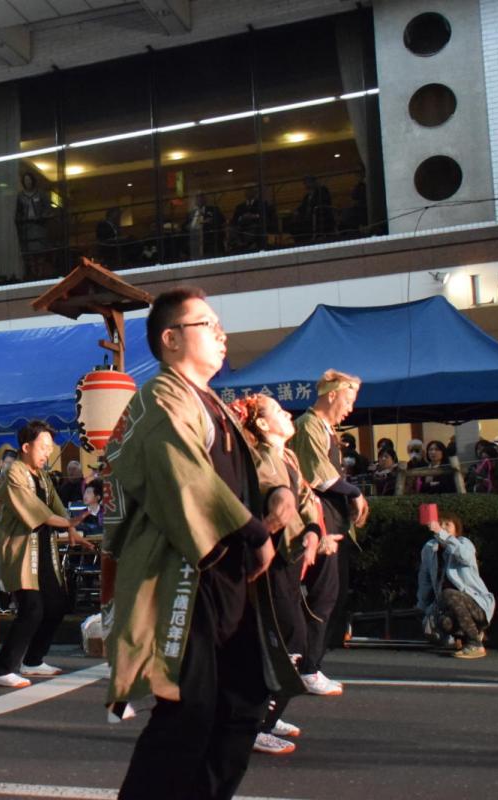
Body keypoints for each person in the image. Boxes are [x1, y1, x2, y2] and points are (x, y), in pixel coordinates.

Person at [102, 286, 300, 799]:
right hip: (185, 573)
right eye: (207, 325)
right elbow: (184, 477)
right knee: (187, 712)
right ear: (170, 338)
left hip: (226, 573)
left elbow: (260, 465)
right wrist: (253, 530)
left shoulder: (215, 404)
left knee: (243, 704)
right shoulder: (161, 397)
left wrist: (279, 491)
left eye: (218, 325)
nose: (221, 334)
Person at [230, 393, 323, 756]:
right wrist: (269, 526)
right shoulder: (264, 457)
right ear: (263, 425)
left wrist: (314, 531)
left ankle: (264, 713)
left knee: (284, 639)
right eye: (279, 411)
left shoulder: (287, 456)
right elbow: (278, 497)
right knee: (289, 641)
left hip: (286, 559)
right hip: (272, 562)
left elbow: (303, 503)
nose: (288, 415)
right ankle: (256, 722)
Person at [0, 420, 93, 688]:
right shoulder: (14, 473)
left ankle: (33, 660)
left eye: (50, 447)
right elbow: (38, 512)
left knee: (57, 603)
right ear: (26, 447)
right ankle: (2, 669)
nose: (48, 453)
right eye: (43, 447)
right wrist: (69, 523)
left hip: (43, 547)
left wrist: (71, 528)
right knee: (32, 608)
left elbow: (57, 509)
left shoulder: (43, 476)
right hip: (20, 550)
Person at [291, 369, 368, 694]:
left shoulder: (325, 428)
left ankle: (307, 664)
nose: (350, 408)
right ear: (332, 394)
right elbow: (319, 478)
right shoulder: (308, 425)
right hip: (318, 523)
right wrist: (354, 493)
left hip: (331, 520)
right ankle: (307, 668)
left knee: (330, 598)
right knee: (321, 597)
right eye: (349, 399)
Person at [416, 512, 495, 659]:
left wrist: (443, 536)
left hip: (476, 603)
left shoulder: (464, 543)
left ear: (456, 529)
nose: (443, 528)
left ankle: (474, 644)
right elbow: (424, 578)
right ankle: (468, 637)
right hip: (449, 605)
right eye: (441, 524)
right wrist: (423, 605)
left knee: (448, 594)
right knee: (443, 622)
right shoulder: (429, 548)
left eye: (448, 525)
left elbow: (465, 557)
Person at [15, 172, 53, 278]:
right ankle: (33, 273)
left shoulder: (40, 194)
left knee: (40, 251)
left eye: (29, 180)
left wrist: (41, 217)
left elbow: (47, 209)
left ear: (32, 180)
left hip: (39, 227)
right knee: (30, 253)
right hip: (27, 229)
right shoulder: (20, 196)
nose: (28, 182)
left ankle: (41, 272)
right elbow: (18, 213)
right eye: (25, 180)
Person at [186, 192, 226, 259]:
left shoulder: (214, 209)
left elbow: (221, 221)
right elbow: (185, 226)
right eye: (198, 198)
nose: (199, 200)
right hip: (196, 245)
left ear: (205, 199)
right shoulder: (191, 213)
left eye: (201, 197)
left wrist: (209, 222)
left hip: (212, 243)